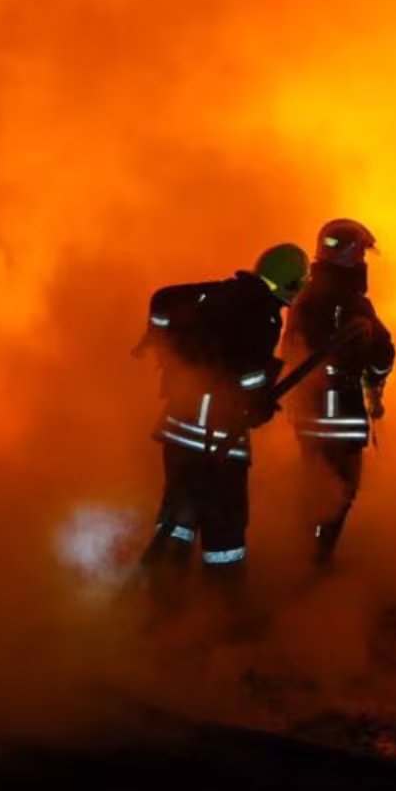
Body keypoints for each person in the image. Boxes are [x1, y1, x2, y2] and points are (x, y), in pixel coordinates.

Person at [133, 243, 309, 593]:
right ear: (290, 283)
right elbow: (244, 372)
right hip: (213, 433)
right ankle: (223, 599)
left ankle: (164, 593)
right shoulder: (262, 313)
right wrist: (257, 401)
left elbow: (163, 299)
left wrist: (155, 337)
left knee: (179, 514)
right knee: (224, 520)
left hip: (179, 427)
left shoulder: (223, 292)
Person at [283, 218, 395, 566]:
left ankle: (304, 552)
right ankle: (317, 559)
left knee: (315, 483)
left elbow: (292, 349)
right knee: (339, 489)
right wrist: (374, 384)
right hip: (339, 413)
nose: (363, 260)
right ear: (349, 255)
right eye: (360, 252)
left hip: (307, 412)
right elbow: (383, 351)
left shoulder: (305, 297)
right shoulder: (352, 302)